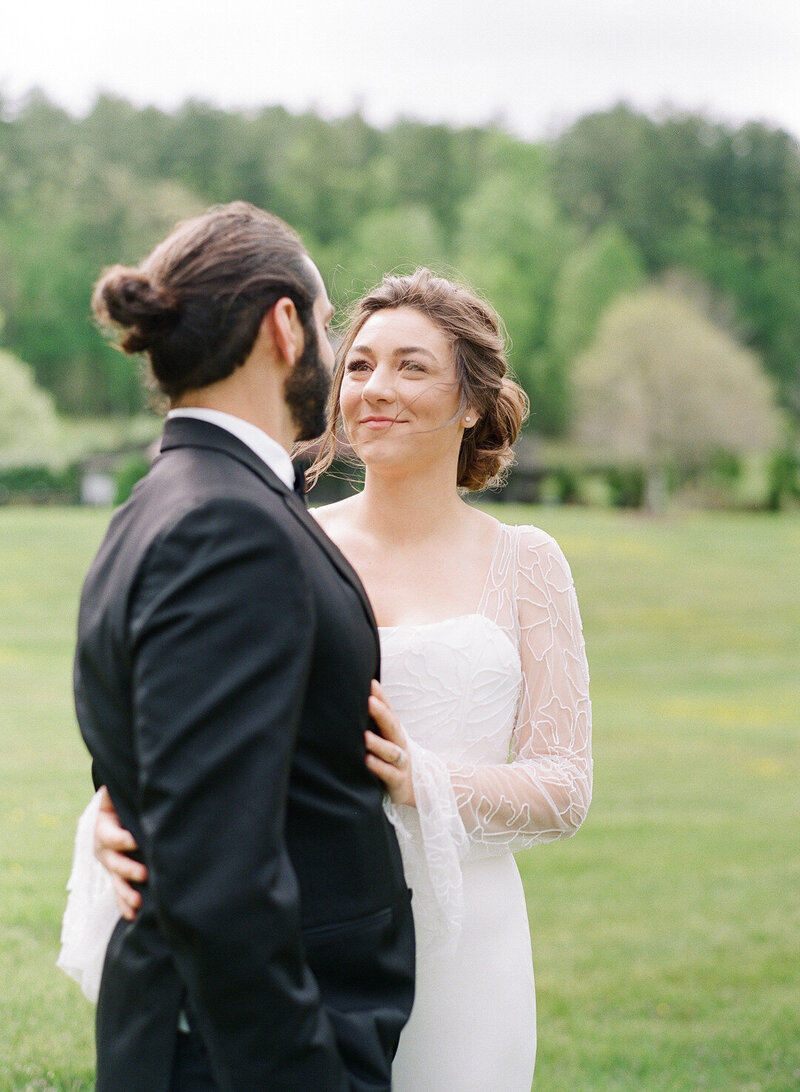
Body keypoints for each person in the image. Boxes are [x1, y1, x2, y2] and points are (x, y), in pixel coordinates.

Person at [74, 268, 593, 1090]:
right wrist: (114, 814)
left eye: (412, 367)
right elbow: (198, 723)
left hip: (470, 941)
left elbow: (566, 786)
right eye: (358, 364)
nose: (375, 389)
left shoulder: (527, 562)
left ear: (471, 402)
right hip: (311, 928)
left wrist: (429, 779)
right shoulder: (284, 539)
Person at [63, 202, 415, 1092]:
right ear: (284, 326)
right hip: (248, 1050)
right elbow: (218, 868)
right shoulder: (227, 525)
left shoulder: (160, 503)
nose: (333, 356)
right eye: (332, 324)